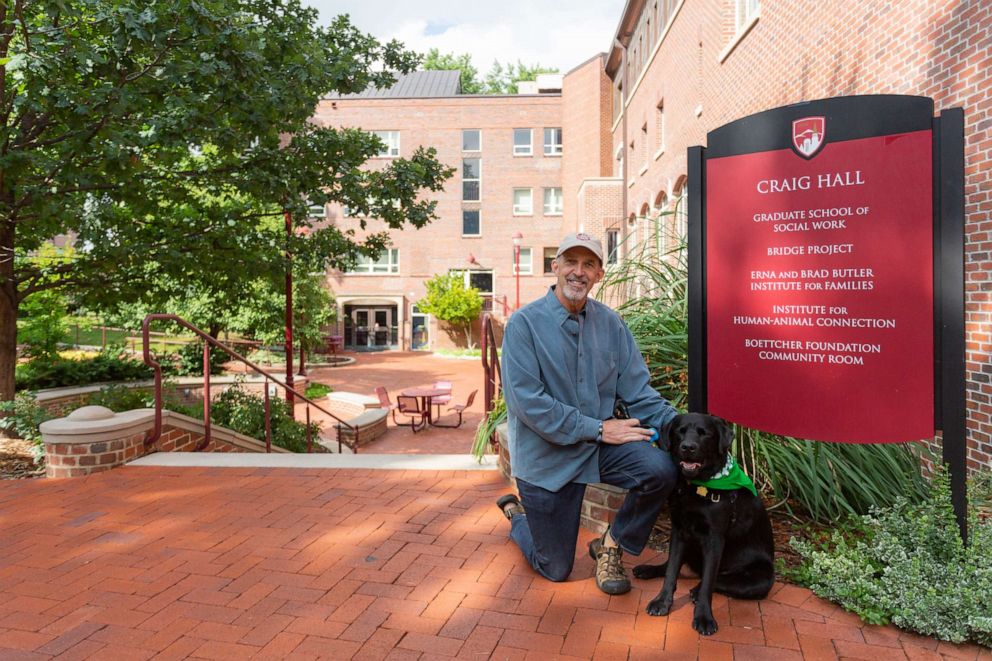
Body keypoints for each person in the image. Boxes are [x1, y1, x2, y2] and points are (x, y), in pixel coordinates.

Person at [497, 232, 679, 595]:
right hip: (548, 459)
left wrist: (681, 426)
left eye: (589, 264)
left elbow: (638, 393)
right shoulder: (523, 325)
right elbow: (528, 403)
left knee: (659, 470)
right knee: (555, 569)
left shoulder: (611, 324)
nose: (578, 272)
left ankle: (611, 546)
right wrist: (599, 428)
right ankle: (518, 517)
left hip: (596, 448)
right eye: (571, 262)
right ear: (556, 267)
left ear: (599, 274)